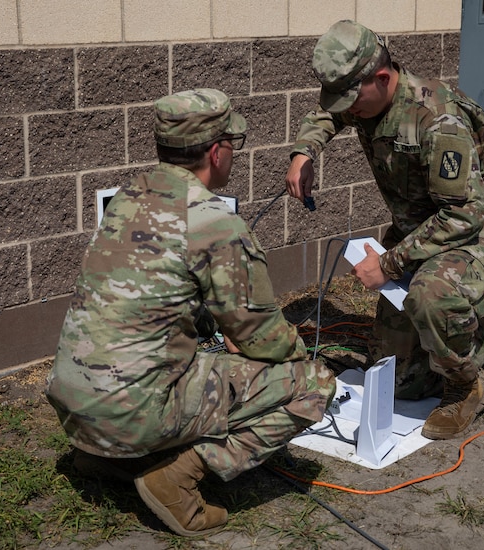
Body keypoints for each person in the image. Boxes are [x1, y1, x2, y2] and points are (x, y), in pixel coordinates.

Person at [46, 88, 336, 537]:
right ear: (217, 151)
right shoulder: (213, 222)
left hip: (74, 402)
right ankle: (177, 476)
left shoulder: (127, 198)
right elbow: (263, 337)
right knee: (313, 384)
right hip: (131, 413)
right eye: (232, 147)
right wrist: (296, 352)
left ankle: (106, 458)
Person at [285, 20, 484, 440]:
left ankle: (464, 388)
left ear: (382, 78)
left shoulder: (438, 120)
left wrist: (390, 262)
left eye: (352, 100)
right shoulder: (365, 98)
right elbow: (327, 112)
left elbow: (463, 215)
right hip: (421, 230)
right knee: (402, 385)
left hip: (476, 233)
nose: (347, 111)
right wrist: (304, 153)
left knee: (430, 296)